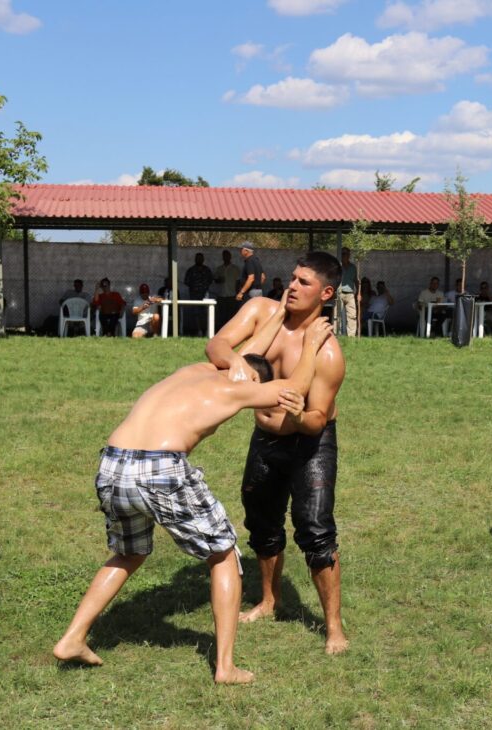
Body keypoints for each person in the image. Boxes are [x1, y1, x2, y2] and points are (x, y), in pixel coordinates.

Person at [53, 306, 333, 683]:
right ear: (250, 378)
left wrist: (279, 312)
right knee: (223, 554)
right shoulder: (237, 388)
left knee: (129, 551)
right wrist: (312, 343)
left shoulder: (193, 372)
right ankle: (226, 667)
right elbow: (293, 390)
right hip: (160, 467)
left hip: (113, 463)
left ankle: (72, 638)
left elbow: (248, 354)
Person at [205, 252, 349, 654]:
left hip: (310, 444)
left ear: (325, 293)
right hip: (265, 440)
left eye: (304, 282)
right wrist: (239, 366)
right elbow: (216, 344)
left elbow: (318, 419)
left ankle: (334, 627)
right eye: (292, 278)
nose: (292, 286)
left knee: (316, 530)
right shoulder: (260, 310)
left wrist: (299, 415)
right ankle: (270, 600)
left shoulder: (327, 352)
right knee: (261, 520)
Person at [184, 253, 214, 336]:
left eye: (201, 258)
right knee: (196, 313)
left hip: (205, 295)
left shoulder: (207, 270)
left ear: (203, 259)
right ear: (195, 259)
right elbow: (186, 281)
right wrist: (194, 287)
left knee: (206, 313)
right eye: (197, 258)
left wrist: (203, 287)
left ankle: (207, 330)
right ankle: (198, 330)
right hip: (194, 295)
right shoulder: (191, 270)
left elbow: (211, 280)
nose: (199, 260)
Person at [214, 250, 240, 325]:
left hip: (232, 295)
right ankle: (222, 331)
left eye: (227, 255)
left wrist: (237, 294)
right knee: (221, 316)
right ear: (222, 257)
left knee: (232, 315)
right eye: (224, 255)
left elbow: (238, 282)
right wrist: (219, 280)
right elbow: (215, 280)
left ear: (230, 257)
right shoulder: (219, 269)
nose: (226, 257)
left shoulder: (235, 269)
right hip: (221, 295)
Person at [236, 241, 264, 310]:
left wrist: (241, 292)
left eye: (241, 249)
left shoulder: (249, 261)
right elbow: (263, 277)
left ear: (246, 251)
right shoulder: (257, 260)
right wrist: (257, 286)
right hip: (258, 291)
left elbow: (251, 278)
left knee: (247, 311)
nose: (240, 251)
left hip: (250, 292)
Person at [337, 247, 359, 337]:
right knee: (337, 315)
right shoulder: (338, 266)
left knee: (352, 315)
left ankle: (351, 337)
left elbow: (356, 280)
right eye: (343, 254)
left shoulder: (353, 267)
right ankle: (336, 334)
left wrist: (358, 292)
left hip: (350, 294)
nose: (345, 255)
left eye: (347, 254)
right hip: (340, 293)